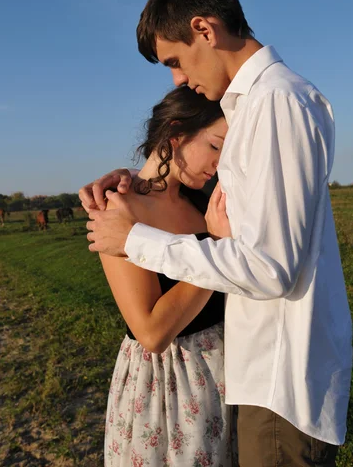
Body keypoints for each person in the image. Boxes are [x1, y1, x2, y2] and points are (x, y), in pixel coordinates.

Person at [81, 0, 352, 467]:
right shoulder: (258, 107)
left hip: (280, 379)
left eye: (175, 61)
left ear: (205, 29)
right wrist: (132, 182)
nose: (178, 79)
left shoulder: (274, 104)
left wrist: (138, 239)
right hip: (257, 377)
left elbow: (270, 267)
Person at [89, 86, 232, 466]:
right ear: (174, 135)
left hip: (227, 377)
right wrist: (214, 247)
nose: (220, 163)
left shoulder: (204, 198)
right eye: (216, 146)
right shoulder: (118, 209)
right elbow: (151, 332)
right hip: (171, 390)